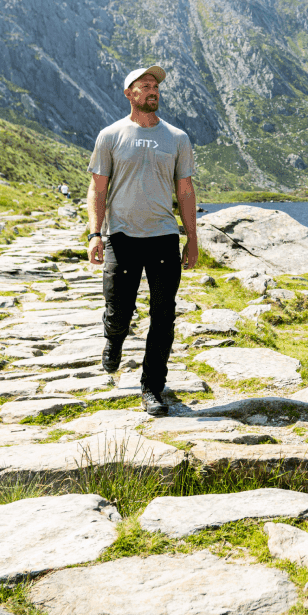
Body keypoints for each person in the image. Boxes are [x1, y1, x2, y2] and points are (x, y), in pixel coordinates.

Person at [86, 64, 198, 417]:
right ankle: (114, 338)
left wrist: (192, 239)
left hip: (163, 236)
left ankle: (152, 388)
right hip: (121, 235)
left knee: (163, 316)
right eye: (145, 85)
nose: (153, 90)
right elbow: (97, 189)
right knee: (118, 308)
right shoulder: (110, 135)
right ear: (128, 93)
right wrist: (94, 233)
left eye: (156, 86)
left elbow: (186, 190)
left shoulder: (177, 138)